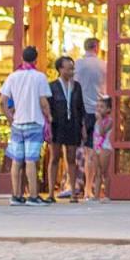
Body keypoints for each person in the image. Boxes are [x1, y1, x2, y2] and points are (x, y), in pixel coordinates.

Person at [0, 45, 53, 206]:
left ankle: (16, 195)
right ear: (36, 59)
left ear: (22, 58)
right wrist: (49, 117)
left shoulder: (13, 76)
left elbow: (2, 101)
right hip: (34, 123)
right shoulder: (40, 77)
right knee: (31, 160)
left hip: (18, 124)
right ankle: (33, 196)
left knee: (16, 160)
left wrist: (10, 118)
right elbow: (43, 102)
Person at [47, 56, 87, 202]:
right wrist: (48, 126)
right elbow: (48, 108)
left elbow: (80, 107)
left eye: (72, 68)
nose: (71, 71)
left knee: (71, 157)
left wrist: (82, 127)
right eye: (68, 68)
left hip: (73, 124)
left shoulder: (76, 86)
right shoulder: (52, 86)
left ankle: (73, 192)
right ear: (60, 69)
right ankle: (51, 193)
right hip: (57, 125)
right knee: (55, 157)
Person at [74, 37, 106, 193]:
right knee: (95, 151)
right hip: (100, 111)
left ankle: (81, 186)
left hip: (82, 110)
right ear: (97, 47)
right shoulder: (103, 65)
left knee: (83, 151)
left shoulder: (78, 64)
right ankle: (91, 186)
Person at [88, 95, 114, 202]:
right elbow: (95, 135)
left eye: (102, 107)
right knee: (97, 172)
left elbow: (103, 132)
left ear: (108, 109)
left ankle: (107, 195)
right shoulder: (96, 121)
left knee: (104, 172)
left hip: (105, 148)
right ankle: (96, 196)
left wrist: (99, 120)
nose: (99, 109)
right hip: (96, 147)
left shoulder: (109, 121)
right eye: (98, 106)